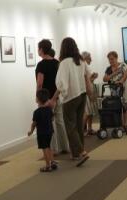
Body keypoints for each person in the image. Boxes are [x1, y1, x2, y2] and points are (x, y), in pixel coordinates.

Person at [54, 37, 93, 166]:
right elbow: (89, 74)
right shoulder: (81, 61)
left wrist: (58, 97)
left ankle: (81, 151)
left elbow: (61, 84)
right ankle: (75, 153)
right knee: (78, 125)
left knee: (70, 126)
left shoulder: (64, 63)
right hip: (82, 95)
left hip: (70, 97)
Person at [36, 39, 69, 155]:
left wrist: (38, 97)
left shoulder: (41, 65)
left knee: (49, 123)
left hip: (46, 98)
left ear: (41, 49)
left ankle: (53, 149)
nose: (37, 50)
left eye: (38, 48)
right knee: (60, 121)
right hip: (57, 95)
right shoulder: (57, 63)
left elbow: (40, 83)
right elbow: (60, 81)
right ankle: (65, 146)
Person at [28, 89, 58, 172]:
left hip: (42, 133)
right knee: (49, 147)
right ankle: (52, 162)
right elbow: (52, 119)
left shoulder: (36, 112)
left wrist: (30, 131)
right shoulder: (49, 110)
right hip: (50, 131)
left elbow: (34, 124)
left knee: (44, 148)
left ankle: (48, 166)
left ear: (38, 100)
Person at [103, 51, 127, 134]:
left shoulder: (122, 65)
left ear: (116, 58)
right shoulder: (108, 68)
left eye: (112, 59)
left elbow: (126, 75)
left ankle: (125, 124)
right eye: (109, 60)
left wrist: (121, 81)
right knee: (116, 107)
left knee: (124, 106)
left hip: (123, 87)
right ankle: (118, 124)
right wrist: (114, 74)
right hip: (113, 89)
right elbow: (105, 79)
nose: (111, 61)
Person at [81, 51, 99, 136]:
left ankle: (89, 129)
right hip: (87, 91)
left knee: (90, 111)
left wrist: (92, 77)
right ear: (85, 58)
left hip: (90, 89)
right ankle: (81, 131)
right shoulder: (83, 66)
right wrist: (93, 77)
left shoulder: (86, 66)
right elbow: (86, 80)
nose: (91, 59)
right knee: (87, 112)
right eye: (89, 57)